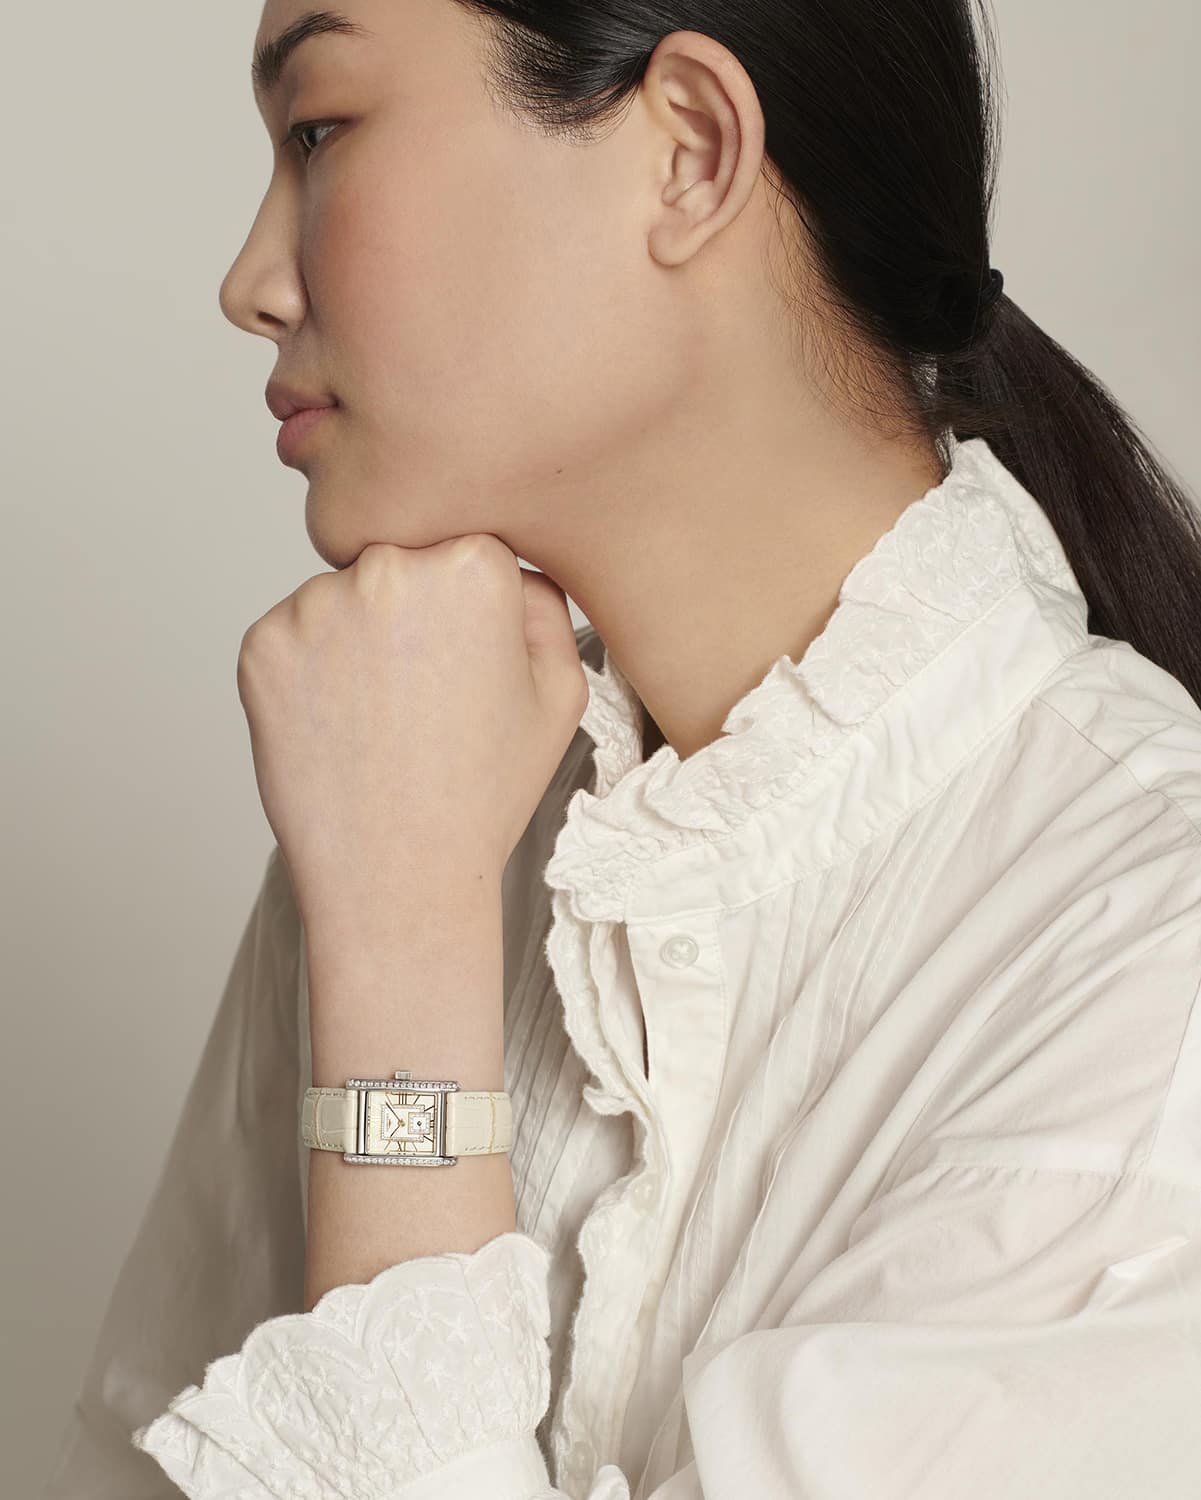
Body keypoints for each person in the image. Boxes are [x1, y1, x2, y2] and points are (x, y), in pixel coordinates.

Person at [43, 0, 1201, 1496]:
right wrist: (397, 913)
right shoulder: (415, 809)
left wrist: (397, 967)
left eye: (319, 130)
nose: (249, 283)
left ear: (689, 150)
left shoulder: (1151, 974)